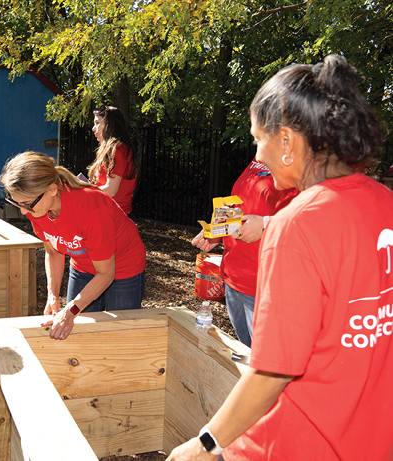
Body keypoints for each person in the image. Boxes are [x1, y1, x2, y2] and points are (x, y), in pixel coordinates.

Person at [167, 55, 393, 461]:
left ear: (287, 142)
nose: (259, 152)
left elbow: (273, 370)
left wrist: (204, 445)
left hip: (304, 443)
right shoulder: (385, 203)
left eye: (259, 138)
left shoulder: (296, 224)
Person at [0, 151, 146, 340]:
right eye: (16, 203)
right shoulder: (36, 207)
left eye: (26, 204)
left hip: (123, 266)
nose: (22, 211)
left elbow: (106, 273)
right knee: (75, 332)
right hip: (84, 265)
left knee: (121, 334)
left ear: (52, 189)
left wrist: (69, 310)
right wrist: (53, 296)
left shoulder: (90, 207)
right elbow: (53, 253)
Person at [191, 159, 298, 347]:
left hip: (265, 284)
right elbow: (244, 204)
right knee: (248, 355)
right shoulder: (261, 156)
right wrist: (218, 230)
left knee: (265, 364)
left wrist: (266, 224)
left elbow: (315, 218)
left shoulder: (305, 159)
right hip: (235, 279)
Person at [89, 105, 138, 215]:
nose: (93, 128)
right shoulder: (112, 150)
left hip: (113, 217)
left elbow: (111, 190)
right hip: (106, 214)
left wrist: (84, 192)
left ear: (109, 125)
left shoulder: (117, 151)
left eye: (97, 123)